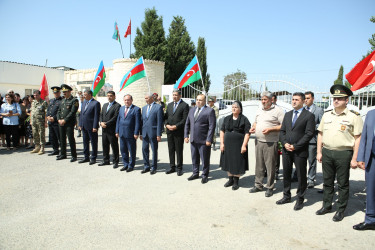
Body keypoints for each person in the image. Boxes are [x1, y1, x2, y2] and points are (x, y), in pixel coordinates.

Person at [316, 85, 363, 222]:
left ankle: (341, 210)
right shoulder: (327, 114)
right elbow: (320, 134)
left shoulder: (354, 117)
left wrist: (355, 158)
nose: (336, 101)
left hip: (344, 153)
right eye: (334, 98)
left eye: (339, 99)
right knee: (327, 182)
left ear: (346, 100)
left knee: (342, 184)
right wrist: (319, 151)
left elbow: (357, 138)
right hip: (327, 152)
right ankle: (326, 205)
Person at [277, 92, 315, 210]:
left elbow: (309, 133)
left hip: (300, 151)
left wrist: (296, 146)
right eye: (293, 99)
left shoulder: (309, 116)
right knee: (287, 173)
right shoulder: (287, 115)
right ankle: (286, 195)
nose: (294, 101)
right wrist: (285, 143)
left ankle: (300, 198)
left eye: (297, 100)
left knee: (300, 175)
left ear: (303, 101)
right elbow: (282, 131)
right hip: (287, 150)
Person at [249, 91, 284, 197]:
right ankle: (258, 185)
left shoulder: (278, 111)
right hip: (258, 141)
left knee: (270, 166)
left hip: (270, 142)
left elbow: (283, 126)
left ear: (271, 100)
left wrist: (271, 129)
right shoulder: (259, 109)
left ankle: (269, 187)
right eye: (262, 99)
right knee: (259, 165)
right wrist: (254, 127)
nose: (263, 101)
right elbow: (255, 121)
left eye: (265, 99)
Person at [184, 94, 216, 184]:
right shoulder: (192, 110)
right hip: (193, 139)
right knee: (194, 158)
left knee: (204, 159)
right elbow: (187, 123)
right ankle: (195, 173)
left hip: (204, 140)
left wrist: (209, 139)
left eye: (200, 100)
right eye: (197, 99)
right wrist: (186, 135)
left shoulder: (210, 111)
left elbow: (211, 126)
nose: (198, 101)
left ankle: (205, 175)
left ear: (205, 101)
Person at [220, 101, 251, 190]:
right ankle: (230, 179)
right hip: (227, 144)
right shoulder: (227, 118)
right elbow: (222, 130)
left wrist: (244, 145)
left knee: (237, 162)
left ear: (240, 109)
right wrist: (222, 143)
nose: (233, 108)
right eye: (232, 107)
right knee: (228, 161)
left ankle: (236, 181)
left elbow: (247, 133)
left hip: (239, 145)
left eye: (236, 107)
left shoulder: (244, 119)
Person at [354, 109, 375, 230]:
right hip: (372, 158)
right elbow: (365, 137)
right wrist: (361, 157)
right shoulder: (371, 114)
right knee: (371, 190)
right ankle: (370, 219)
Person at [164, 89, 189, 176]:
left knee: (178, 150)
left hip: (178, 131)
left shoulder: (184, 105)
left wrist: (176, 126)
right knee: (171, 149)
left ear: (180, 96)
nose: (174, 96)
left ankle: (179, 168)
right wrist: (167, 125)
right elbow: (166, 117)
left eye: (176, 95)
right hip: (169, 131)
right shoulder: (169, 105)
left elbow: (185, 119)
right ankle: (172, 167)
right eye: (173, 95)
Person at [115, 94, 141, 172]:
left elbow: (137, 122)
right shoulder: (121, 108)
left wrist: (136, 133)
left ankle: (131, 165)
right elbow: (118, 121)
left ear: (131, 100)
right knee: (123, 150)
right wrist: (117, 131)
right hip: (122, 133)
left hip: (131, 134)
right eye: (125, 100)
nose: (127, 101)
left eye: (128, 100)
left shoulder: (136, 109)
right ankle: (125, 164)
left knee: (132, 150)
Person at [304, 91, 324, 188]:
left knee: (311, 161)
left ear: (313, 99)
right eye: (305, 98)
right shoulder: (302, 109)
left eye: (308, 98)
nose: (306, 100)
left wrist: (311, 126)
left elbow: (322, 125)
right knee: (300, 159)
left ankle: (311, 179)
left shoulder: (319, 110)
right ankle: (300, 176)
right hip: (302, 140)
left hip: (312, 140)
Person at [140, 93, 164, 174]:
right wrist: (141, 133)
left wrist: (159, 134)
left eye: (147, 98)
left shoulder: (158, 107)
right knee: (144, 149)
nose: (145, 100)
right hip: (145, 133)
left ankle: (154, 167)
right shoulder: (144, 108)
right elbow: (142, 121)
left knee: (154, 150)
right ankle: (146, 166)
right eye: (145, 98)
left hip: (153, 133)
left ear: (151, 98)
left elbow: (159, 122)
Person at [56, 84, 79, 162]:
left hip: (69, 123)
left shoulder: (74, 100)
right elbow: (58, 111)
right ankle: (63, 154)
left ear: (69, 92)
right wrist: (59, 119)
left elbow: (73, 112)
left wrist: (65, 120)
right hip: (61, 123)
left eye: (65, 92)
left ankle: (74, 155)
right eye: (63, 92)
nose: (64, 93)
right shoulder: (63, 100)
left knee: (70, 139)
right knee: (62, 139)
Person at [99, 91, 121, 168]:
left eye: (111, 96)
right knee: (105, 145)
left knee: (114, 146)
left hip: (112, 129)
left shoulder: (117, 106)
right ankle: (106, 160)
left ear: (114, 96)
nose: (109, 97)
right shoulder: (105, 105)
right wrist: (101, 122)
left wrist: (106, 124)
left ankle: (115, 161)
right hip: (104, 129)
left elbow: (115, 117)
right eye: (108, 95)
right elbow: (101, 114)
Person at [78, 90, 101, 165]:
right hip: (84, 126)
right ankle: (86, 157)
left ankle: (93, 157)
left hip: (92, 127)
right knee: (85, 142)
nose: (84, 96)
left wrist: (95, 126)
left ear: (90, 95)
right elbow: (82, 114)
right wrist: (80, 124)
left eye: (85, 95)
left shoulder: (96, 103)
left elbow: (96, 116)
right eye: (83, 94)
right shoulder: (84, 102)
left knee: (93, 142)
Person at [30, 90, 48, 154]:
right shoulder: (33, 102)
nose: (35, 96)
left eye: (37, 95)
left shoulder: (43, 102)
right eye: (34, 95)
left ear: (40, 95)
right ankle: (37, 147)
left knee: (41, 134)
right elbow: (31, 112)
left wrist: (46, 122)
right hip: (34, 121)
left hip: (41, 121)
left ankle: (42, 148)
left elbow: (46, 113)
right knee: (35, 134)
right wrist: (31, 120)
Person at [46, 86, 63, 156]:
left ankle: (62, 151)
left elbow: (61, 112)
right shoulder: (52, 100)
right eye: (54, 93)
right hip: (50, 122)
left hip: (57, 122)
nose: (56, 94)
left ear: (59, 92)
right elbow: (48, 110)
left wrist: (54, 118)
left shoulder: (62, 100)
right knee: (53, 137)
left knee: (60, 137)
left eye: (57, 92)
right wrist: (47, 116)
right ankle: (55, 149)